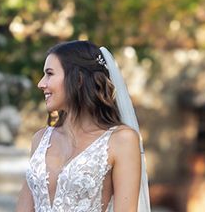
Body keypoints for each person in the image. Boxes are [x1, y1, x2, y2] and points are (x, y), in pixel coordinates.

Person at [16, 40, 150, 212]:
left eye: (49, 74)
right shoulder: (41, 140)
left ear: (78, 79)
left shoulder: (121, 140)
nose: (41, 84)